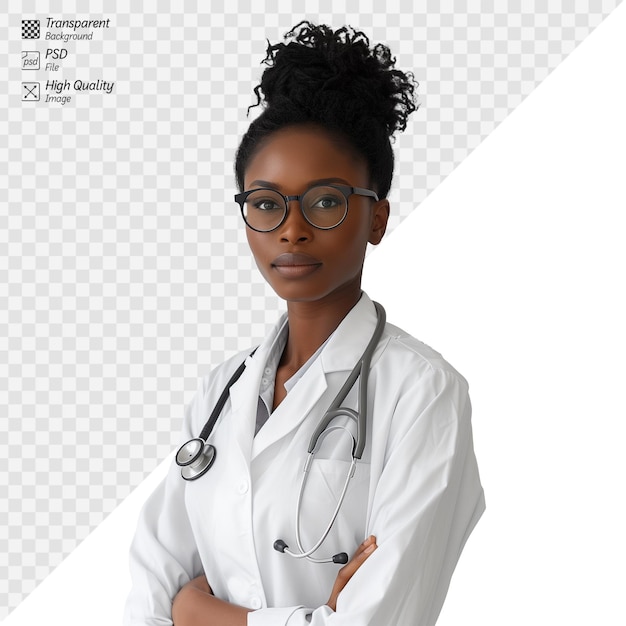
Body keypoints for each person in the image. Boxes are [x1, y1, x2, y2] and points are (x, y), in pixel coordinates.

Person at [124, 21, 485, 626]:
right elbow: (149, 592)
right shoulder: (222, 391)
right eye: (266, 202)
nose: (291, 229)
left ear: (377, 217)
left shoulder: (422, 394)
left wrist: (204, 614)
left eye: (325, 201)